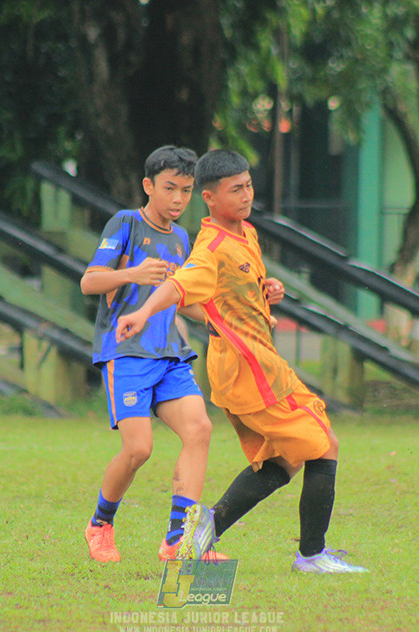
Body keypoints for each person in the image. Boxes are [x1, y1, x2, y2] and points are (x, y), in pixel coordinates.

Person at [116, 149, 367, 573]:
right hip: (246, 367)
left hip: (259, 362)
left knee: (284, 460)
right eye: (236, 190)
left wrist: (266, 290)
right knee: (324, 444)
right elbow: (179, 286)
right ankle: (311, 555)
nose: (247, 195)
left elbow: (237, 289)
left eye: (248, 186)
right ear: (210, 198)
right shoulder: (210, 248)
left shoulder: (245, 233)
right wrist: (142, 313)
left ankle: (201, 533)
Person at [81, 145, 222, 563]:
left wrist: (228, 319)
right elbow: (90, 281)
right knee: (138, 449)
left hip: (170, 355)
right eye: (169, 188)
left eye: (186, 190)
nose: (178, 199)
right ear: (148, 186)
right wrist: (133, 274)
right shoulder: (126, 223)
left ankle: (178, 539)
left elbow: (182, 298)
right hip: (125, 353)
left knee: (199, 429)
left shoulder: (181, 239)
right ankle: (100, 523)